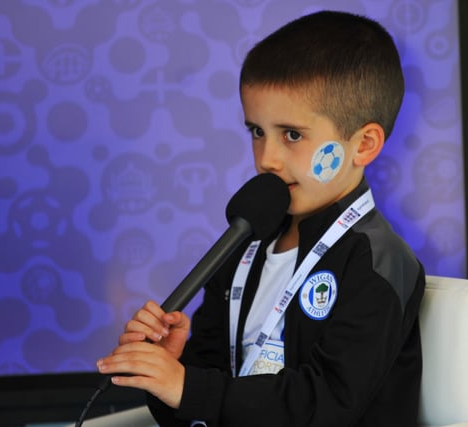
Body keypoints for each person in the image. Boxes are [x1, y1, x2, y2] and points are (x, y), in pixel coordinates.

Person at [97, 10, 425, 427]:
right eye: (257, 131)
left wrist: (189, 387)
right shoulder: (243, 246)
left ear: (363, 145)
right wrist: (168, 373)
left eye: (292, 135)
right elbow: (204, 404)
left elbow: (329, 404)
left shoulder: (378, 263)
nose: (267, 159)